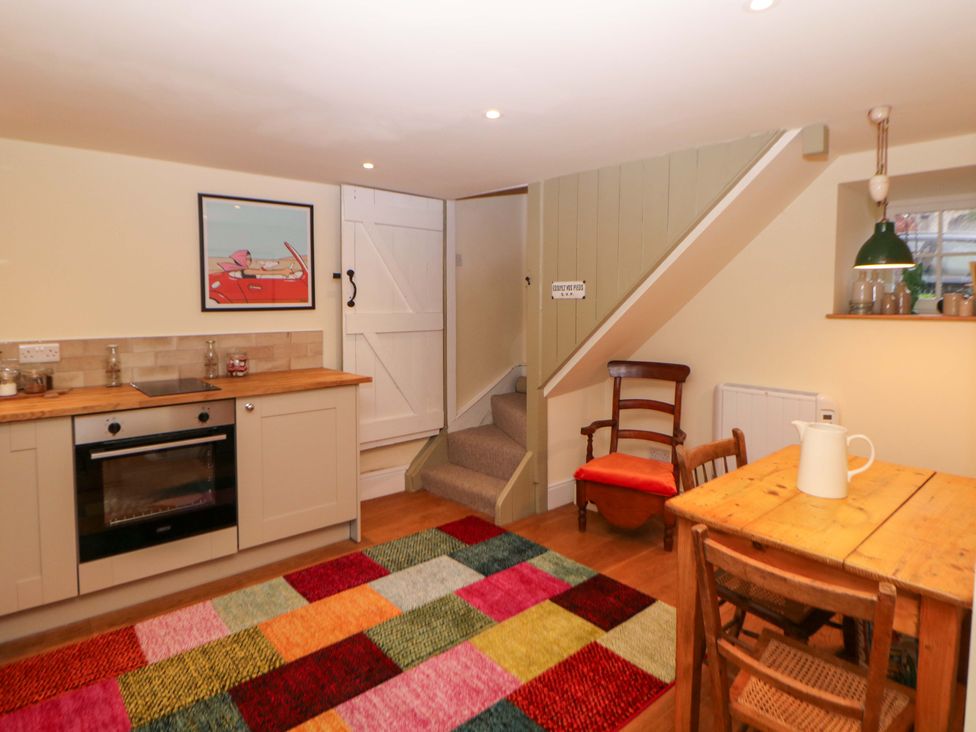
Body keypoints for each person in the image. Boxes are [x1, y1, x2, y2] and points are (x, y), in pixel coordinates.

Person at [218, 249, 295, 278]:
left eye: (250, 258)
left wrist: (264, 267)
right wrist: (282, 272)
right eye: (247, 259)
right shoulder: (246, 271)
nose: (250, 260)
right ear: (240, 260)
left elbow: (259, 271)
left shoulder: (245, 270)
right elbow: (263, 273)